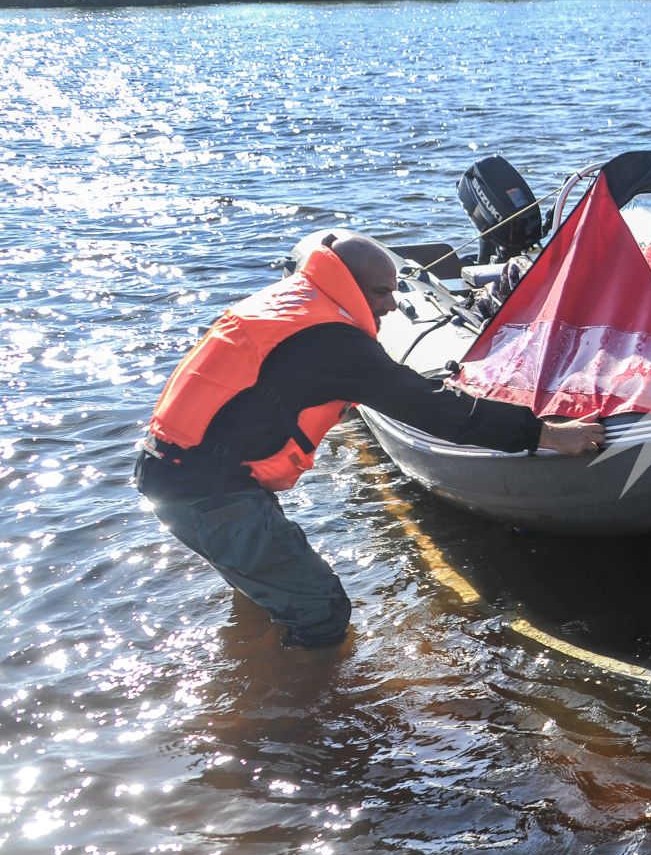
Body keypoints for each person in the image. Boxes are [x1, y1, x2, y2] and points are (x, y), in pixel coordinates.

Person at [136, 231, 604, 649]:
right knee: (323, 614)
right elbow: (430, 407)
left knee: (267, 594)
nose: (390, 305)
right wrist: (546, 434)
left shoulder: (294, 301)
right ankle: (302, 724)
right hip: (210, 493)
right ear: (350, 285)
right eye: (382, 292)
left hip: (177, 472)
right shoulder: (332, 340)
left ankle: (255, 671)